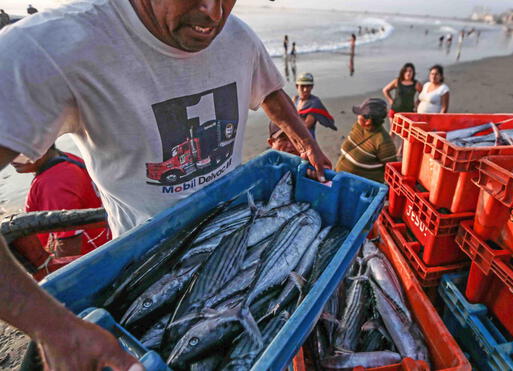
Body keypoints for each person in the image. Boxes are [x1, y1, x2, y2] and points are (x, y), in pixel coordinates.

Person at [0, 0, 330, 369]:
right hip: (148, 264)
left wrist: (306, 143)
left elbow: (269, 90)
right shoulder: (49, 48)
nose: (214, 13)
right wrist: (52, 327)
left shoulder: (237, 36)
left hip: (238, 226)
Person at [10, 145, 111, 258]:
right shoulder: (66, 158)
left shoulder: (53, 184)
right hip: (106, 240)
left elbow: (69, 247)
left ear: (44, 142)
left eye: (18, 151)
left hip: (93, 257)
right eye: (8, 150)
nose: (11, 158)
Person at [335, 98, 397, 183]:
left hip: (360, 189)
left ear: (368, 121)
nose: (357, 116)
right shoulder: (358, 126)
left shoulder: (384, 142)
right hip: (340, 179)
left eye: (360, 114)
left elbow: (392, 170)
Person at [292, 72, 336, 138]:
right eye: (302, 86)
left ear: (312, 87)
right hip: (293, 135)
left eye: (308, 86)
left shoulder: (314, 103)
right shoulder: (295, 99)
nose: (305, 89)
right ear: (297, 86)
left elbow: (306, 126)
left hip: (307, 138)